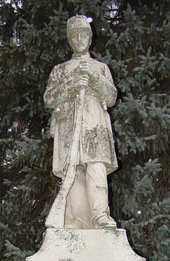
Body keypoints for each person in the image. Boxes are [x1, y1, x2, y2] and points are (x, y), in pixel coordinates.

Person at [44, 15, 118, 229]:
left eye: (83, 34)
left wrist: (94, 79)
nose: (79, 39)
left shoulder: (101, 68)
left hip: (94, 125)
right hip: (69, 126)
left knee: (96, 168)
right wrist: (70, 85)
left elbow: (111, 96)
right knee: (73, 172)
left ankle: (100, 216)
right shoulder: (60, 70)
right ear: (69, 39)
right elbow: (49, 98)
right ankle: (78, 221)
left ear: (89, 36)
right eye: (74, 35)